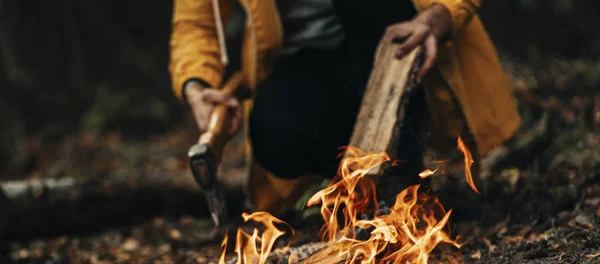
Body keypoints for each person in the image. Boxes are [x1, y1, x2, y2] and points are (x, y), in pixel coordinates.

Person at [169, 0, 520, 217]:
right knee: (277, 131)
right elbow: (196, 23)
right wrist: (195, 85)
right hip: (312, 64)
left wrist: (436, 18)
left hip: (400, 42)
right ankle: (356, 197)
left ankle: (402, 185)